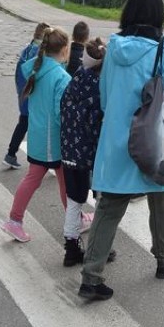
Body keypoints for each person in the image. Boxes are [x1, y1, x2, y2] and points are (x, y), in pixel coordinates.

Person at [79, 0, 164, 301]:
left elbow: (103, 95)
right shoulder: (163, 49)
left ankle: (91, 276)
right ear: (159, 15)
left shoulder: (113, 47)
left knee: (109, 207)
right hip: (153, 138)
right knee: (162, 196)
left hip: (117, 139)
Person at [1, 27, 71, 243]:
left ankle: (15, 220)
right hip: (54, 139)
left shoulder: (35, 69)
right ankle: (15, 221)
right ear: (65, 49)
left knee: (45, 179)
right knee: (58, 180)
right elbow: (62, 112)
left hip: (39, 134)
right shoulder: (61, 76)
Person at [60, 38, 108, 266]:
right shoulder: (101, 87)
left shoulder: (75, 79)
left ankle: (71, 247)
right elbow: (98, 123)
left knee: (74, 200)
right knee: (101, 200)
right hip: (93, 153)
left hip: (69, 150)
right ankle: (99, 249)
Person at [3, 22, 49, 169]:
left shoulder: (27, 49)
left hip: (24, 95)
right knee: (41, 127)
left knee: (23, 124)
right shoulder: (40, 54)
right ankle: (42, 159)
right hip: (34, 97)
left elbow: (18, 73)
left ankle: (11, 153)